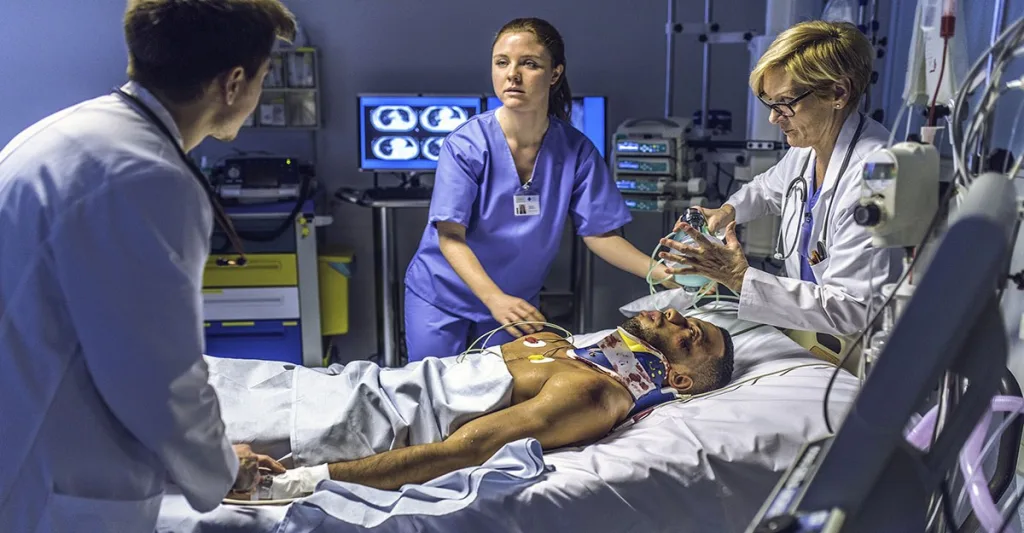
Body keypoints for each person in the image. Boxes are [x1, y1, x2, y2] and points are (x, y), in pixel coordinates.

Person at [0, 1, 294, 531]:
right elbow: (158, 375)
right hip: (50, 487)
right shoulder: (145, 175)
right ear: (233, 83)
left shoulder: (68, 134)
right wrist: (225, 466)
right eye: (263, 78)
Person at [214, 309, 734, 495]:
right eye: (689, 315)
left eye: (693, 337)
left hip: (344, 423)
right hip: (339, 385)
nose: (675, 316)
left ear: (680, 381)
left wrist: (305, 481)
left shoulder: (592, 391)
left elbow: (459, 453)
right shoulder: (572, 349)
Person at [404, 17, 674, 362]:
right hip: (442, 295)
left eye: (529, 63)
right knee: (434, 394)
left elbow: (600, 234)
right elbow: (450, 236)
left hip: (515, 303)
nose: (512, 74)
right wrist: (493, 299)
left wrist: (661, 273)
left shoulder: (576, 151)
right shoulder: (467, 144)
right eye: (502, 62)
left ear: (555, 73)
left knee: (505, 397)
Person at [660, 20, 895, 337]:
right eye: (769, 103)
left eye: (785, 102)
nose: (773, 117)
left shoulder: (875, 177)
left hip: (861, 348)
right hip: (813, 333)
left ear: (838, 92)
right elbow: (766, 189)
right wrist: (726, 212)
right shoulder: (810, 147)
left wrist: (737, 277)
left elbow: (851, 308)